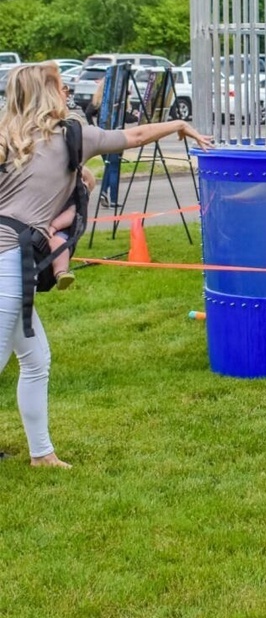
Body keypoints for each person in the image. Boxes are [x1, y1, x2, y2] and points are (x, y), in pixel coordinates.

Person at [0, 62, 212, 468]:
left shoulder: (36, 137)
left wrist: (175, 127)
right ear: (46, 94)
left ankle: (42, 454)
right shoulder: (66, 138)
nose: (68, 92)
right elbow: (131, 136)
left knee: (35, 360)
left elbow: (132, 135)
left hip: (12, 256)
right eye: (61, 86)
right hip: (7, 256)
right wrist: (177, 126)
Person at [46, 165, 97, 290]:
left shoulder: (77, 201)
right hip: (45, 228)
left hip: (61, 231)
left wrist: (53, 226)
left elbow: (70, 216)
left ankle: (61, 272)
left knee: (58, 243)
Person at [85, 79, 120, 208]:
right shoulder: (117, 100)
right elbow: (127, 117)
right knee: (114, 167)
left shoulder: (99, 101)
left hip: (102, 136)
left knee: (109, 165)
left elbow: (88, 113)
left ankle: (104, 192)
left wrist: (93, 127)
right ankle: (113, 199)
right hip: (116, 136)